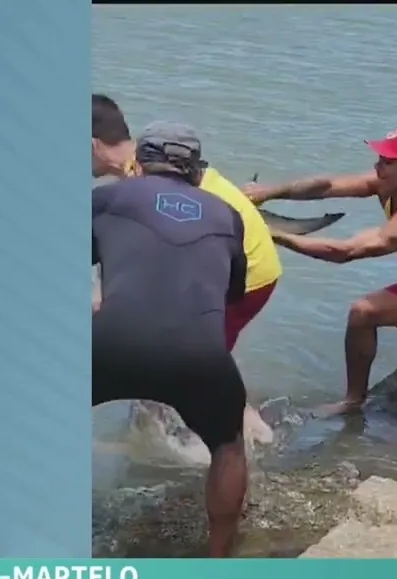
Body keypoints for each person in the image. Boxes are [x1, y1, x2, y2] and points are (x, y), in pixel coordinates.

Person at [92, 121, 250, 557]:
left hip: (109, 342)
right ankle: (218, 561)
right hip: (198, 355)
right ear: (196, 171)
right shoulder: (227, 215)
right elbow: (233, 293)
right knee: (228, 446)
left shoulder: (106, 198)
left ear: (139, 163)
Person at [243, 126, 397, 417]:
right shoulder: (393, 183)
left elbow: (346, 252)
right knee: (363, 313)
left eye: (387, 162)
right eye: (379, 158)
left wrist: (275, 236)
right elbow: (327, 186)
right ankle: (353, 401)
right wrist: (268, 191)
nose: (376, 166)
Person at [92, 93, 280, 442]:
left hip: (246, 271)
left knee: (194, 355)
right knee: (176, 354)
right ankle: (161, 437)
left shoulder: (141, 177)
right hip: (240, 262)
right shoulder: (156, 163)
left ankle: (249, 438)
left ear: (91, 145)